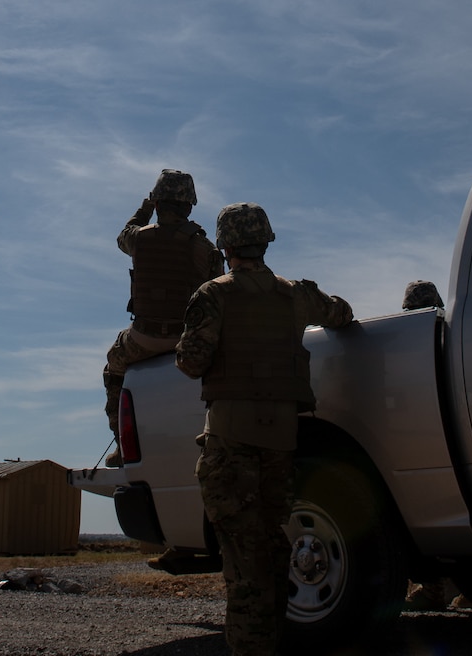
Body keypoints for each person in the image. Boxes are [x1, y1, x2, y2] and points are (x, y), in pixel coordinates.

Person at [176, 202, 355, 656]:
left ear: (225, 245)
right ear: (266, 240)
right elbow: (342, 313)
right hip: (281, 443)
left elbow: (190, 361)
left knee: (244, 564)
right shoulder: (295, 295)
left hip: (230, 443)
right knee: (275, 552)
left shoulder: (212, 295)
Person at [102, 169, 224, 464]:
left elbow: (123, 234)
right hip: (186, 338)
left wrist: (145, 207)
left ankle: (122, 444)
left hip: (144, 337)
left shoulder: (137, 239)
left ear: (157, 203)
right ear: (189, 206)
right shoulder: (204, 248)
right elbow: (218, 298)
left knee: (113, 368)